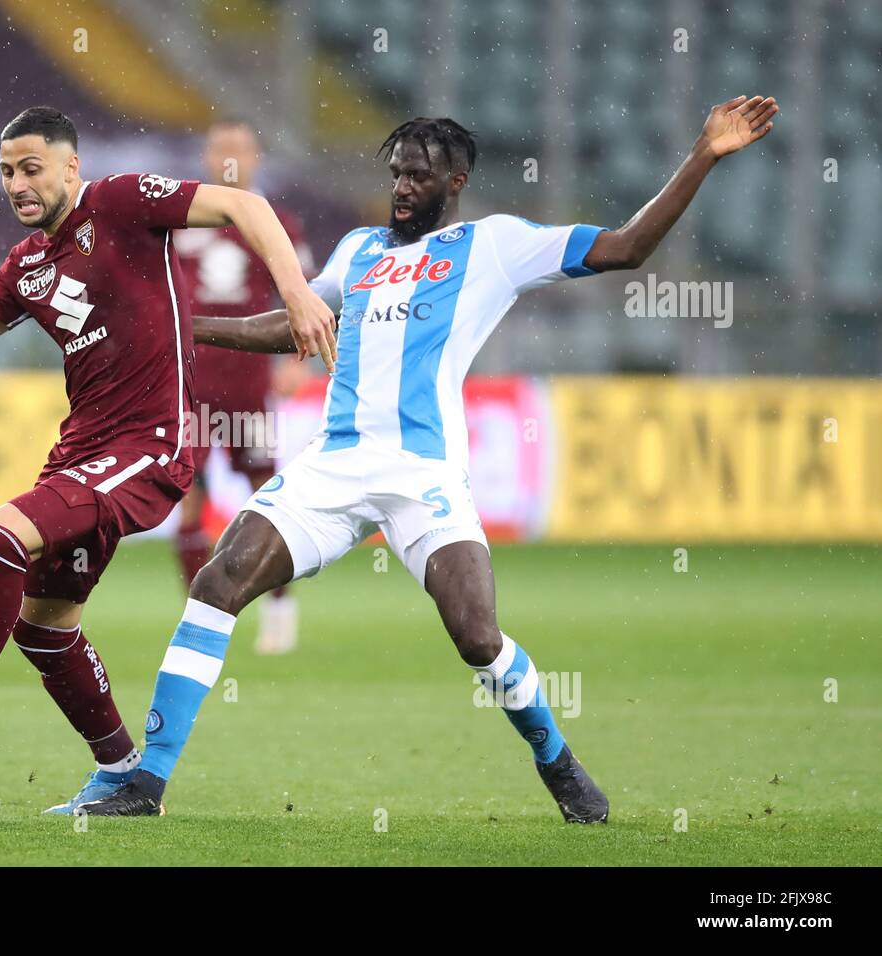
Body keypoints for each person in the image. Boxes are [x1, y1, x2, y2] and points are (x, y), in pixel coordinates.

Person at [79, 95, 779, 821]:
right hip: (334, 464)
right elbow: (293, 327)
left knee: (477, 634)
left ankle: (557, 762)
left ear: (456, 183)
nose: (402, 188)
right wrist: (182, 330)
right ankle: (146, 784)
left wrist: (703, 155)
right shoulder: (358, 251)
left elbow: (627, 246)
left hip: (423, 476)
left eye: (418, 176)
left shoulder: (495, 245)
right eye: (396, 174)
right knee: (218, 581)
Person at [0, 106, 335, 814]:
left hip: (152, 443)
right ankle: (120, 773)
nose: (17, 184)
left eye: (31, 168)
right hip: (84, 451)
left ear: (69, 167)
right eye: (6, 172)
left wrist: (297, 293)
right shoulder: (27, 265)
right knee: (44, 628)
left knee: (1, 533)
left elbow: (242, 202)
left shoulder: (119, 203)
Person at [171, 118, 315, 654]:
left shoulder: (277, 223)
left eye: (240, 149)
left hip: (249, 381)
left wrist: (299, 355)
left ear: (256, 157)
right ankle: (202, 619)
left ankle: (279, 606)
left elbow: (303, 290)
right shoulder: (180, 217)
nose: (230, 158)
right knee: (185, 492)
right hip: (188, 382)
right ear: (207, 156)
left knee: (264, 498)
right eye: (221, 149)